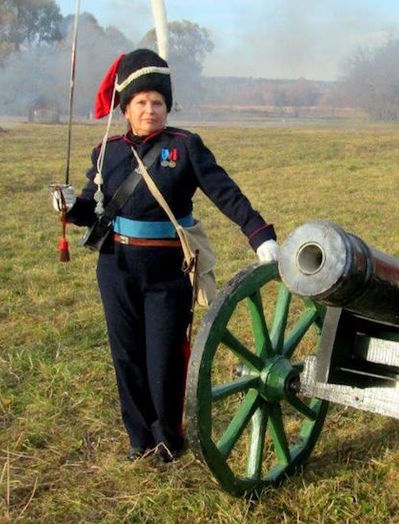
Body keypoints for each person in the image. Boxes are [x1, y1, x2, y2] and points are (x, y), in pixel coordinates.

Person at [51, 49, 280, 462]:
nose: (150, 110)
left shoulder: (186, 147)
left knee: (163, 359)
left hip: (168, 271)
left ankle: (168, 439)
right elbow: (92, 211)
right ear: (126, 108)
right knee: (127, 356)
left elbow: (226, 193)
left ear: (167, 107)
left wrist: (259, 234)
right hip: (116, 268)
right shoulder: (107, 153)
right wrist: (70, 205)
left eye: (158, 102)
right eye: (141, 102)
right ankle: (139, 438)